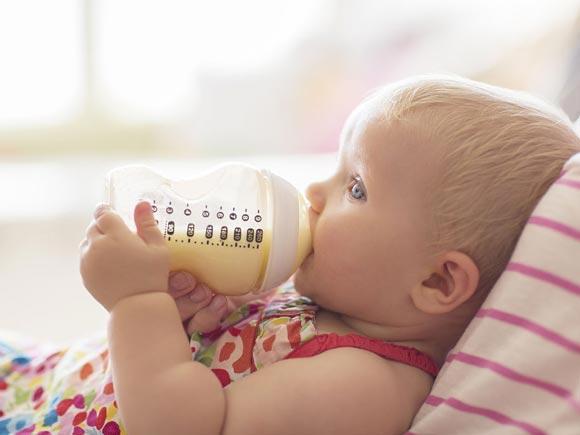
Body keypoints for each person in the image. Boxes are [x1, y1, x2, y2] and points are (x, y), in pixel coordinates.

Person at [2, 74, 579, 435]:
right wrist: (196, 313)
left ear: (436, 281)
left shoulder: (365, 388)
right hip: (44, 382)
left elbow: (182, 425)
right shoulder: (329, 300)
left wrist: (136, 301)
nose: (314, 194)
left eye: (356, 187)